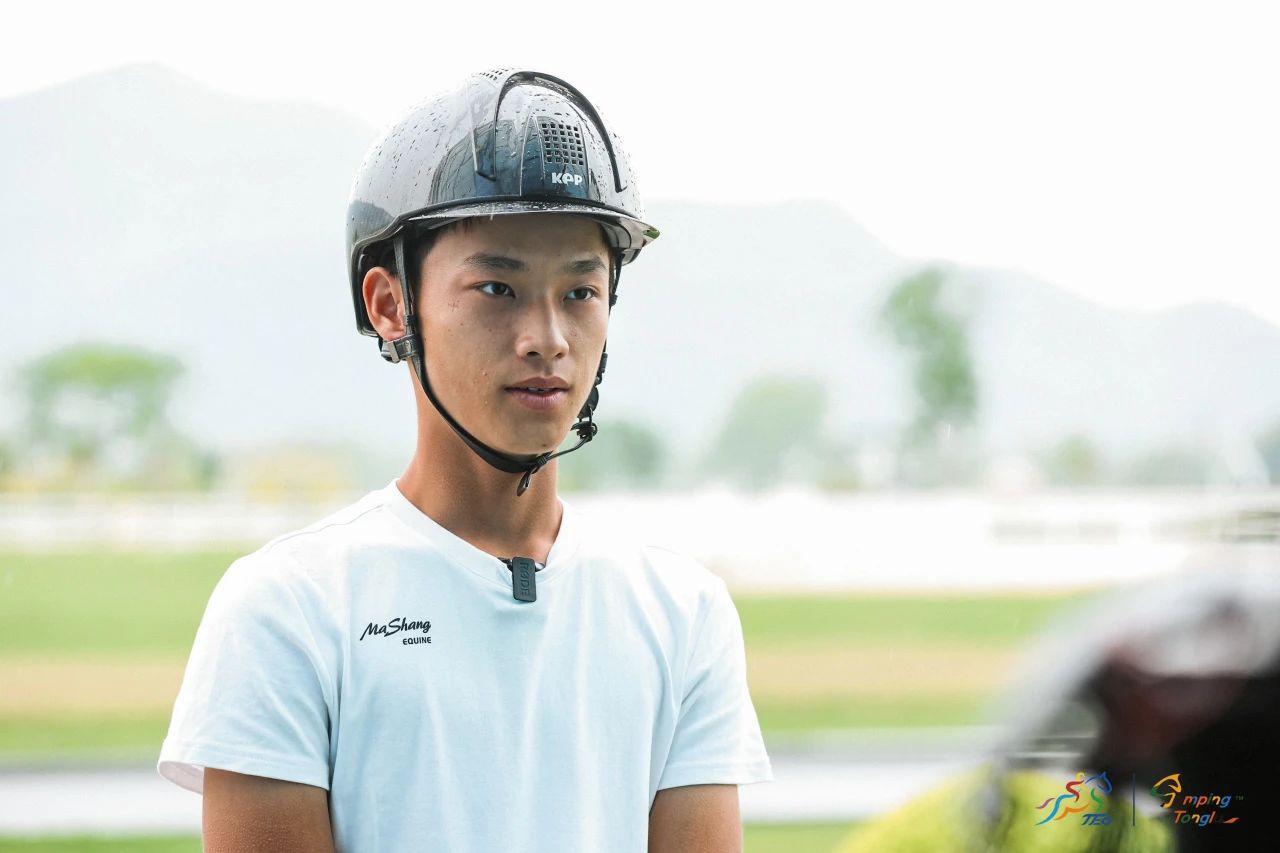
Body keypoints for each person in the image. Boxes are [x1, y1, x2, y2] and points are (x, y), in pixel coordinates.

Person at [156, 68, 774, 852]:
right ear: (390, 304)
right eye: (496, 288)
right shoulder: (288, 608)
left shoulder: (683, 612)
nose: (547, 338)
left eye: (580, 292)